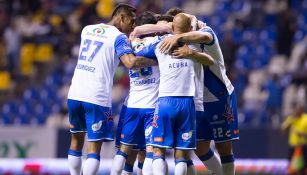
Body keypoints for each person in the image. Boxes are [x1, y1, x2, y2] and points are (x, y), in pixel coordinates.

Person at [67, 4, 155, 175]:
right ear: (122, 18)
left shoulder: (87, 29)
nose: (133, 26)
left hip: (75, 92)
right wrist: (156, 61)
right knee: (93, 147)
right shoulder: (119, 37)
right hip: (96, 96)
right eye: (132, 20)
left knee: (76, 142)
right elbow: (130, 62)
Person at [135, 13, 215, 175]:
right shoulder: (194, 46)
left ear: (173, 27)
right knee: (182, 154)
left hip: (165, 102)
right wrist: (191, 54)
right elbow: (210, 61)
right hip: (188, 103)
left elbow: (136, 38)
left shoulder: (159, 44)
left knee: (158, 150)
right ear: (188, 29)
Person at [160, 17, 239, 175]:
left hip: (219, 97)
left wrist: (180, 39)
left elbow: (205, 38)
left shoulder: (205, 32)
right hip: (197, 101)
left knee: (223, 147)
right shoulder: (171, 43)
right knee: (200, 148)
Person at [111, 11, 160, 175]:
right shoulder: (159, 44)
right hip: (152, 106)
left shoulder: (128, 44)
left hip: (132, 105)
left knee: (124, 152)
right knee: (149, 153)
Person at [281, 102, 307, 174]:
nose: (296, 111)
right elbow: (283, 130)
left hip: (303, 146)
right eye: (295, 109)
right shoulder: (291, 118)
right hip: (293, 146)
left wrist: (302, 134)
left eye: (298, 109)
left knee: (302, 168)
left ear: (302, 110)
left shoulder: (306, 119)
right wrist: (290, 122)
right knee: (292, 168)